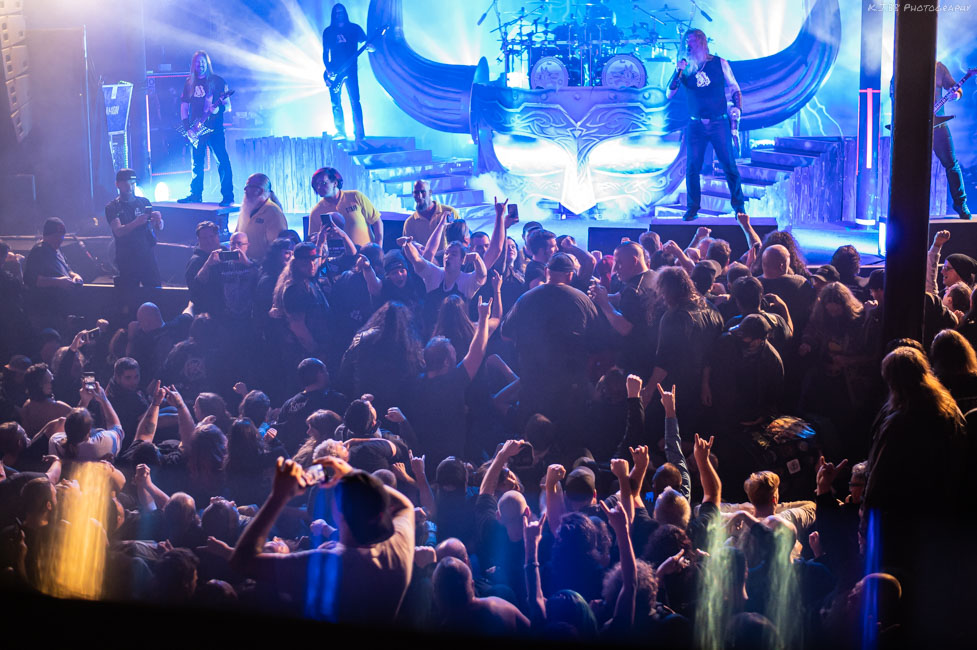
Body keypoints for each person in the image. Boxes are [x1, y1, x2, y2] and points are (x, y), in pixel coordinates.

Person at [229, 457, 415, 623]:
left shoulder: (330, 564)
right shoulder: (398, 548)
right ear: (381, 513)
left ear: (338, 512)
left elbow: (242, 562)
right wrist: (353, 475)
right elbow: (405, 505)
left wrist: (279, 496)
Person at [666, 28, 747, 221]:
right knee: (692, 167)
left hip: (719, 123)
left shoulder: (719, 63)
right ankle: (692, 208)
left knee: (729, 165)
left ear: (702, 43)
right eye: (687, 41)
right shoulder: (685, 69)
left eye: (693, 41)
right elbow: (669, 93)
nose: (689, 45)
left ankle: (739, 207)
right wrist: (678, 70)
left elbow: (735, 87)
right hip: (695, 125)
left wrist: (737, 108)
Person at [890, 61, 971, 219]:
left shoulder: (939, 67)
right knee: (911, 168)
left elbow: (955, 88)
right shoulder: (904, 65)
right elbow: (894, 95)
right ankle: (907, 206)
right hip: (914, 128)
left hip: (938, 125)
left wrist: (957, 95)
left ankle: (960, 204)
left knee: (952, 164)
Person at [177, 51, 234, 206]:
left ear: (207, 63)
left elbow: (228, 106)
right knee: (196, 163)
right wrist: (187, 127)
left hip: (214, 128)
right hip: (196, 128)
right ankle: (195, 195)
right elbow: (184, 107)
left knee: (222, 161)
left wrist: (218, 110)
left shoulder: (217, 82)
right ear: (193, 64)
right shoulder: (189, 83)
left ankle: (228, 196)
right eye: (197, 62)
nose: (200, 65)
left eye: (202, 62)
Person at [105, 169, 163, 291]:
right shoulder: (112, 207)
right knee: (128, 297)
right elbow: (118, 231)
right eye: (126, 183)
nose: (130, 186)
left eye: (132, 182)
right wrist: (136, 222)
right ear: (117, 184)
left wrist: (159, 220)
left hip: (147, 256)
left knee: (155, 292)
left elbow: (158, 228)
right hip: (127, 259)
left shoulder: (144, 202)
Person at [23, 218, 83, 330]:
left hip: (58, 310)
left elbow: (66, 268)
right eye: (58, 236)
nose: (61, 239)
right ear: (49, 235)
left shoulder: (56, 250)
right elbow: (30, 279)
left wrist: (74, 275)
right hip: (46, 311)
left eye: (62, 236)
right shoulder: (39, 251)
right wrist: (58, 282)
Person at [322, 3, 367, 141]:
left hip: (351, 70)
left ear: (345, 13)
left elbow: (367, 43)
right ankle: (340, 132)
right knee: (335, 102)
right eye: (336, 13)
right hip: (335, 70)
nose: (339, 15)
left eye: (341, 12)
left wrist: (371, 47)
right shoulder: (328, 31)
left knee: (355, 101)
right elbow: (325, 53)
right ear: (333, 15)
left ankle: (359, 133)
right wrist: (328, 69)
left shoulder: (354, 28)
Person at [308, 167, 382, 247]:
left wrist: (378, 247)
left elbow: (376, 221)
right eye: (316, 184)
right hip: (336, 257)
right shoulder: (316, 211)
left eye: (323, 183)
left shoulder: (355, 197)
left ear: (335, 183)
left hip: (365, 254)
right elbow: (312, 240)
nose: (319, 187)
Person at [234, 173, 287, 263]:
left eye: (250, 186)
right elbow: (237, 235)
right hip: (242, 267)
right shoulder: (246, 208)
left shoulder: (273, 212)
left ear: (261, 191)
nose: (245, 189)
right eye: (246, 185)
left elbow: (277, 248)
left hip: (262, 268)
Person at [402, 180, 458, 254]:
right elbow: (408, 250)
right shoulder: (410, 223)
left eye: (423, 192)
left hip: (448, 261)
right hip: (425, 263)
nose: (419, 196)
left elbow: (460, 240)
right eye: (416, 192)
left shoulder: (449, 212)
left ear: (430, 193)